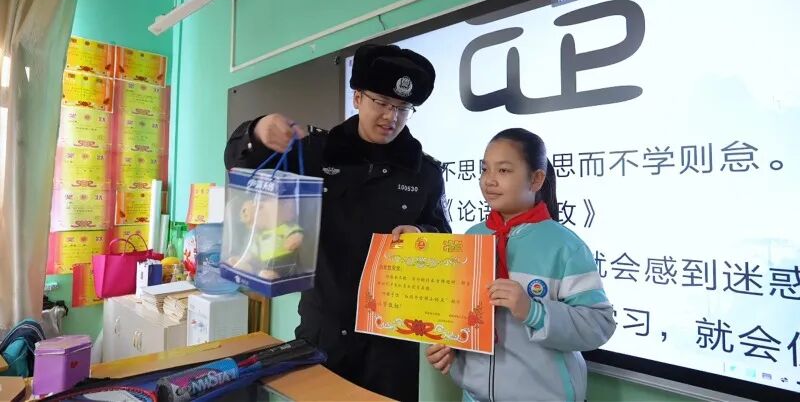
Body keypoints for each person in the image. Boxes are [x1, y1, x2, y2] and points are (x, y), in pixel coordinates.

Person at [224, 44, 451, 401]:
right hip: (324, 335)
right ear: (357, 97)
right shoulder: (317, 151)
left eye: (402, 108)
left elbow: (442, 236)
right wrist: (258, 131)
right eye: (381, 102)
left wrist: (422, 234)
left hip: (392, 347)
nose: (391, 116)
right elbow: (243, 165)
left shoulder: (425, 172)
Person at [425, 128, 615, 401]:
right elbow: (461, 313)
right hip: (473, 396)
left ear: (536, 179)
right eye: (485, 169)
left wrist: (533, 311)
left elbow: (599, 324)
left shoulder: (565, 246)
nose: (489, 180)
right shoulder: (472, 237)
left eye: (503, 170)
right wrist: (451, 344)